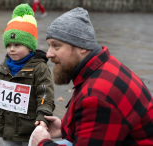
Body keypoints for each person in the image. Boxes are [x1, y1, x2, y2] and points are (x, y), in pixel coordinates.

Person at [30, 7, 153, 146]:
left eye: (56, 46)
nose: (48, 54)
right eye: (49, 45)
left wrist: (42, 143)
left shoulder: (96, 96)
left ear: (82, 47)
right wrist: (65, 128)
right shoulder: (102, 67)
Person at [0, 4, 55, 146]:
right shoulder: (2, 68)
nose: (12, 49)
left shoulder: (39, 68)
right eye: (9, 45)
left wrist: (43, 114)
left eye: (17, 45)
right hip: (7, 126)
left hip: (29, 125)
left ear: (29, 46)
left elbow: (45, 94)